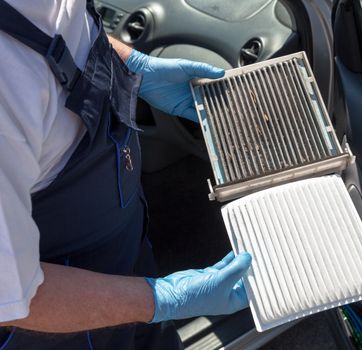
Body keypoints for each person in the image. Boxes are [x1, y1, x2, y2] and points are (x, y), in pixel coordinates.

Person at [0, 0, 252, 349]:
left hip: (123, 253)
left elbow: (64, 28)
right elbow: (14, 298)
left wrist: (132, 66)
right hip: (58, 321)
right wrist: (161, 300)